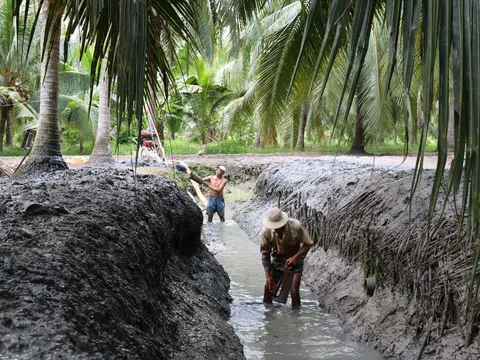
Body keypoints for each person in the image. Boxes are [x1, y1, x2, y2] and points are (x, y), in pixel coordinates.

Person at [261, 207, 313, 306]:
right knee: (269, 288)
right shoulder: (266, 232)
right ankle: (268, 314)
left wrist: (296, 257)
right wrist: (268, 275)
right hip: (278, 259)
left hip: (295, 259)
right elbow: (265, 255)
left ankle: (295, 316)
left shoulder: (296, 226)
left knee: (294, 290)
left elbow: (308, 244)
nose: (276, 228)